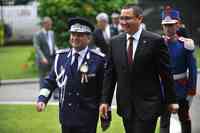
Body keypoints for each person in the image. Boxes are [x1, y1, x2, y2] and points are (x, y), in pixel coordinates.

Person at [99, 4, 179, 133]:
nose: (123, 22)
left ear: (140, 19)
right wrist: (105, 101)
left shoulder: (155, 41)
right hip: (126, 107)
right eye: (122, 18)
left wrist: (172, 100)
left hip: (149, 106)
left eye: (128, 18)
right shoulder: (115, 42)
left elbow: (166, 73)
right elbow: (110, 74)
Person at [35, 17, 106, 133]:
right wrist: (42, 99)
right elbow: (50, 81)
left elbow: (104, 91)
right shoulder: (61, 58)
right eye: (73, 34)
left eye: (79, 35)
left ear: (88, 38)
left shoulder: (98, 60)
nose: (75, 38)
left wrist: (105, 115)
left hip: (87, 119)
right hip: (66, 118)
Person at [160, 10, 197, 133]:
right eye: (166, 25)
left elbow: (192, 70)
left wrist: (191, 90)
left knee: (184, 119)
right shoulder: (158, 44)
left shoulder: (185, 45)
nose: (168, 28)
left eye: (171, 25)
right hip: (163, 89)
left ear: (178, 25)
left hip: (181, 88)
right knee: (164, 122)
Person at [33, 16, 57, 88]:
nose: (51, 26)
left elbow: (53, 45)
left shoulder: (51, 33)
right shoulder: (38, 34)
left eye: (51, 24)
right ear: (44, 24)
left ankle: (53, 91)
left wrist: (57, 51)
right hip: (43, 60)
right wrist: (42, 58)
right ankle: (42, 93)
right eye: (50, 24)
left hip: (51, 58)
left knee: (53, 75)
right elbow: (37, 47)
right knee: (42, 77)